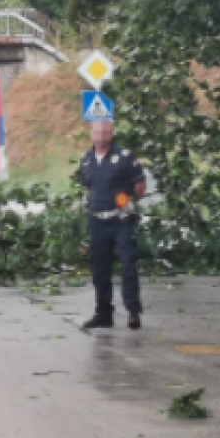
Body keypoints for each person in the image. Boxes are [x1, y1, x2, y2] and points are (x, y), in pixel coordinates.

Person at [78, 120, 146, 330]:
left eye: (106, 131)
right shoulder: (86, 160)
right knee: (99, 269)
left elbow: (140, 184)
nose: (102, 135)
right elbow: (88, 187)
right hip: (97, 221)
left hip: (121, 220)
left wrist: (129, 202)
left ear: (111, 133)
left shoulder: (125, 157)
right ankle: (103, 313)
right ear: (92, 133)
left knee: (128, 265)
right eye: (98, 131)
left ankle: (133, 312)